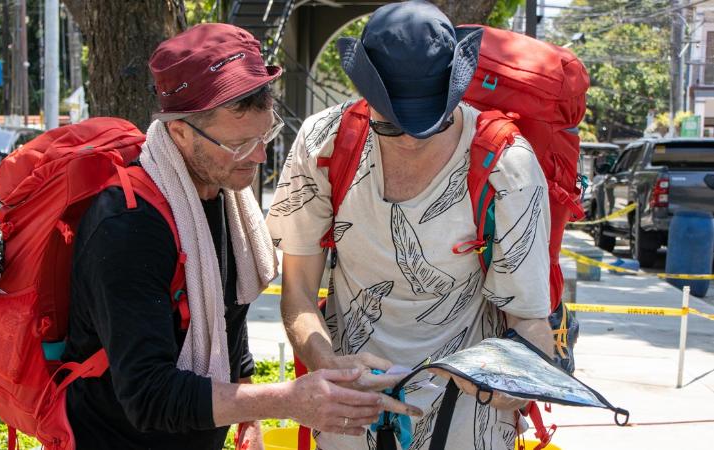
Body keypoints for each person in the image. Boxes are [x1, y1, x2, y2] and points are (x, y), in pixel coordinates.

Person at [57, 24, 419, 450]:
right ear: (180, 133)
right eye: (239, 144)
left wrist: (248, 417)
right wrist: (286, 400)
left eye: (265, 136)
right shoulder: (127, 226)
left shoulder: (220, 193)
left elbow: (226, 312)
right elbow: (147, 396)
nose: (260, 157)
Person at [266, 2, 554, 449]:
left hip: (467, 421)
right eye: (391, 125)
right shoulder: (324, 142)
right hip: (349, 409)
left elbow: (529, 323)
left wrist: (514, 384)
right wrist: (329, 365)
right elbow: (298, 295)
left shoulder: (507, 165)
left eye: (430, 123)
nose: (410, 141)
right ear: (365, 93)